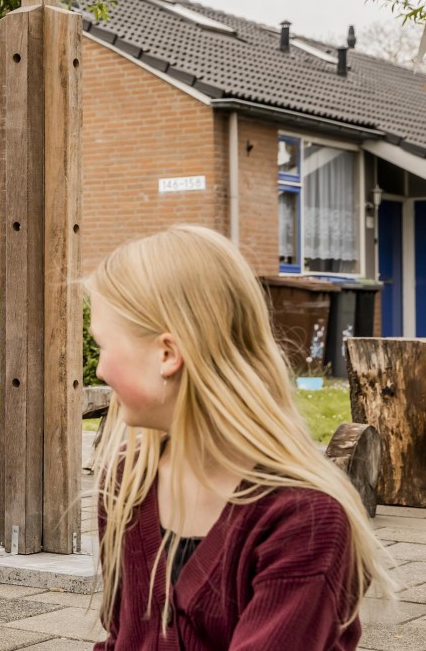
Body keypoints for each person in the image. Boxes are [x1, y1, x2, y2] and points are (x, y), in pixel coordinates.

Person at [88, 225, 395, 650]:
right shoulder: (128, 482)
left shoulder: (304, 522)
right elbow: (121, 638)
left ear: (167, 354)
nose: (99, 370)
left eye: (102, 346)